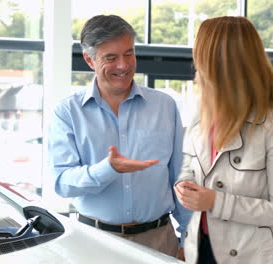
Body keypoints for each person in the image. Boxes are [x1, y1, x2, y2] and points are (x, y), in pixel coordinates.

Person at [49, 14, 191, 258]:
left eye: (129, 53)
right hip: (95, 244)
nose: (123, 65)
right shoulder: (68, 112)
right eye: (111, 58)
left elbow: (181, 176)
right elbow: (62, 182)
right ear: (89, 60)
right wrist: (107, 169)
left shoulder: (165, 106)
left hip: (159, 241)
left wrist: (187, 238)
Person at [174, 16, 273, 264]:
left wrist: (215, 201)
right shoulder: (201, 115)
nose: (195, 62)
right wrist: (185, 187)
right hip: (204, 251)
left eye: (198, 51)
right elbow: (192, 171)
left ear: (216, 60)